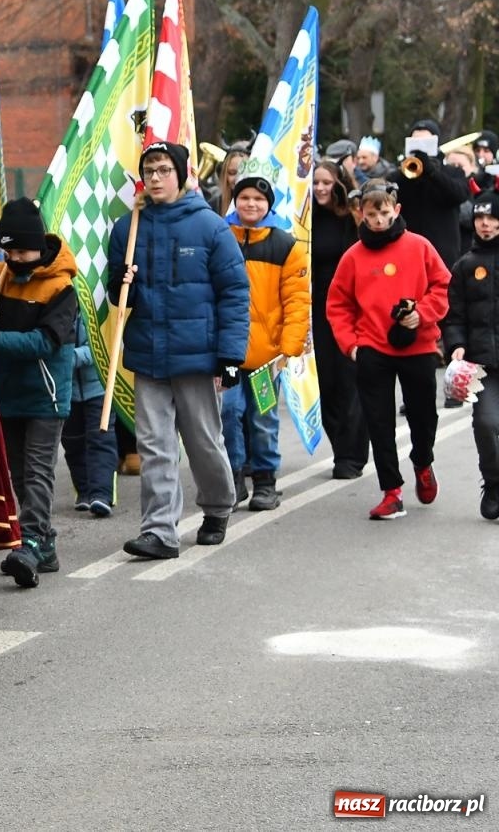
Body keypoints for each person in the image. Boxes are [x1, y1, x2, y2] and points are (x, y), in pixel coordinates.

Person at [108, 141, 249, 560]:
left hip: (197, 354)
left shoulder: (210, 227)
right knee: (154, 445)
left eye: (164, 170)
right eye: (149, 171)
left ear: (182, 174)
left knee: (204, 440)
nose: (155, 178)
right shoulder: (128, 227)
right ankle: (159, 531)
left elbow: (235, 293)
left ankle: (218, 506)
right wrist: (122, 281)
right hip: (148, 355)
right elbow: (118, 298)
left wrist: (230, 356)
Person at [326, 180, 451, 520]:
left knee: (424, 417)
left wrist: (421, 315)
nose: (379, 220)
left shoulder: (420, 246)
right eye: (371, 214)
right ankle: (391, 491)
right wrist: (351, 345)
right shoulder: (353, 257)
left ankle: (423, 462)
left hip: (418, 345)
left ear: (396, 210)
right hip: (372, 349)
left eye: (384, 212)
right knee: (378, 422)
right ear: (360, 215)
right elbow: (338, 304)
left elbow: (442, 285)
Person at [0, 197, 78, 589]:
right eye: (8, 251)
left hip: (46, 393)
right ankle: (47, 545)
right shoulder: (0, 275)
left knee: (39, 471)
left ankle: (32, 542)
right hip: (7, 393)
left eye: (22, 250)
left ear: (39, 247)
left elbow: (45, 342)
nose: (16, 258)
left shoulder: (62, 287)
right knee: (19, 473)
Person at [221, 166, 310, 511]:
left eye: (258, 198)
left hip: (266, 358)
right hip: (228, 354)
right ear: (235, 200)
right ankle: (234, 476)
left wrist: (289, 347)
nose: (251, 203)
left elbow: (298, 301)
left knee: (262, 419)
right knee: (228, 414)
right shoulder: (219, 236)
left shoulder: (285, 245)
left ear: (268, 204)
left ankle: (265, 482)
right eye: (244, 197)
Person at [310, 160, 369, 480]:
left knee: (350, 382)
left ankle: (352, 454)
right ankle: (340, 446)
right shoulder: (308, 219)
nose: (320, 188)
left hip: (352, 310)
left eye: (326, 182)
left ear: (339, 183)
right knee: (327, 383)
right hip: (319, 310)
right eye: (315, 182)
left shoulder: (352, 219)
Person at [446, 194, 499, 521]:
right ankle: (493, 483)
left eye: (493, 219)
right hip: (483, 364)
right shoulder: (465, 265)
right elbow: (454, 316)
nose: (486, 224)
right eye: (481, 219)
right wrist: (457, 344)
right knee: (486, 423)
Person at [389, 119, 468, 268]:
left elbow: (459, 195)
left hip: (443, 253)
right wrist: (407, 173)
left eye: (425, 142)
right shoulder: (401, 175)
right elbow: (391, 194)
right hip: (408, 251)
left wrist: (431, 171)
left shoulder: (453, 172)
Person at [61, 314, 119, 515]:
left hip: (100, 387)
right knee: (72, 442)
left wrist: (69, 357)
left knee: (101, 440)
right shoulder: (60, 297)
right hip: (67, 389)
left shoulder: (95, 298)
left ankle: (102, 494)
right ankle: (84, 491)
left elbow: (104, 344)